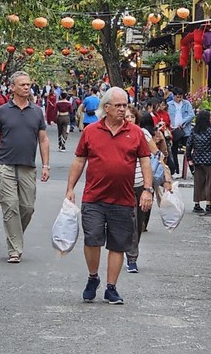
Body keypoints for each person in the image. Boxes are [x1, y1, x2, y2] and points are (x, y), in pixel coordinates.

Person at [66, 88, 152, 304]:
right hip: (94, 197)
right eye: (119, 106)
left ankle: (111, 288)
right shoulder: (91, 131)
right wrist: (70, 189)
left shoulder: (136, 132)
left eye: (125, 105)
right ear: (107, 108)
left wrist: (148, 190)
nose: (123, 109)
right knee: (92, 238)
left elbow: (145, 161)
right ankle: (93, 277)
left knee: (118, 244)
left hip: (123, 198)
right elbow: (79, 160)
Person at [0, 71, 50, 263]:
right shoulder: (3, 111)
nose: (26, 87)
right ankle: (15, 249)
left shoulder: (37, 111)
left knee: (27, 207)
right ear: (12, 87)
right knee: (10, 206)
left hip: (28, 167)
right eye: (22, 84)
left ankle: (15, 234)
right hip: (5, 165)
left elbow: (43, 139)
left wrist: (46, 165)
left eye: (28, 84)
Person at [124, 107, 171, 272]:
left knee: (137, 221)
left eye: (131, 117)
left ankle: (131, 254)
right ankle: (131, 257)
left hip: (139, 182)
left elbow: (158, 154)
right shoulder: (116, 132)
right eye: (126, 116)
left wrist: (165, 176)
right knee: (127, 219)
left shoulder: (142, 133)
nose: (128, 119)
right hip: (121, 184)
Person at [187, 109, 211, 215]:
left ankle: (197, 204)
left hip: (197, 159)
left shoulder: (194, 130)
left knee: (198, 182)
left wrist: (189, 158)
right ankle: (208, 205)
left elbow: (189, 145)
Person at [166, 88, 194, 178]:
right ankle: (176, 171)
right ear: (173, 96)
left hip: (185, 130)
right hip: (174, 130)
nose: (179, 99)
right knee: (173, 151)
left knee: (189, 150)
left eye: (180, 97)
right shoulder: (169, 105)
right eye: (177, 97)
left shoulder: (186, 104)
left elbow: (191, 115)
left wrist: (183, 122)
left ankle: (193, 170)